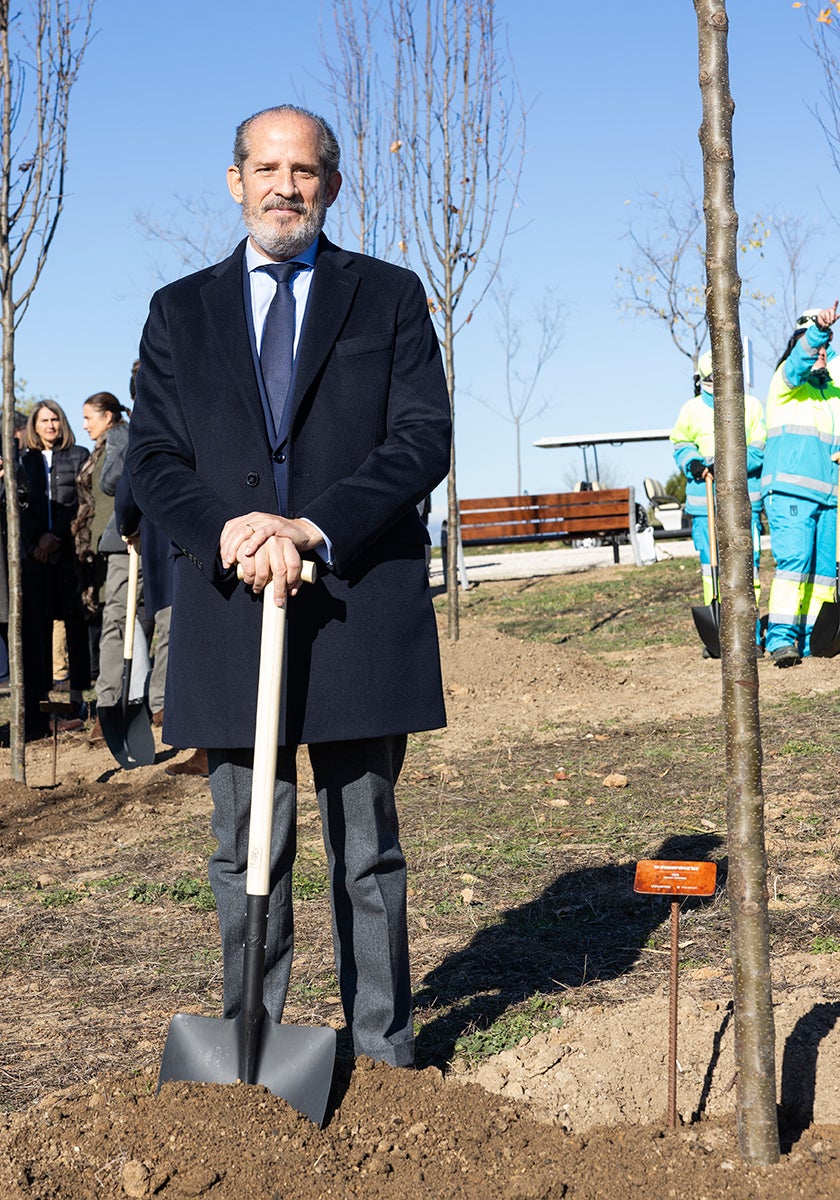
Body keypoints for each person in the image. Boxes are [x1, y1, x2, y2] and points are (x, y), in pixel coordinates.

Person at [128, 105, 451, 1068]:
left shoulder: (387, 298)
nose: (285, 186)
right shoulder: (178, 311)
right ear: (235, 181)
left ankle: (384, 1050)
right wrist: (229, 531)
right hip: (235, 613)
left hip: (356, 602)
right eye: (266, 168)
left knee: (367, 848)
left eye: (304, 170)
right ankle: (251, 1046)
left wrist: (313, 527)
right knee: (245, 847)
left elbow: (420, 439)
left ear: (333, 185)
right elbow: (151, 456)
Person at [671, 351, 766, 655]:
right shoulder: (691, 410)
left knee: (748, 565)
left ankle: (750, 632)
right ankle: (720, 633)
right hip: (705, 504)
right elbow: (680, 443)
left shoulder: (750, 406)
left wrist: (726, 464)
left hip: (742, 501)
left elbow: (760, 449)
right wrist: (695, 464)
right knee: (711, 567)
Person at [762, 303, 840, 666]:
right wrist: (819, 330)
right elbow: (798, 362)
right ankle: (781, 639)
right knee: (794, 566)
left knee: (823, 575)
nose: (820, 352)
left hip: (827, 497)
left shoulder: (830, 395)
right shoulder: (786, 382)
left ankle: (812, 640)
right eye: (813, 346)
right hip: (791, 492)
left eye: (826, 347)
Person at [20, 401, 90, 737]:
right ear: (34, 426)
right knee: (39, 629)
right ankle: (43, 703)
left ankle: (77, 697)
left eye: (55, 419)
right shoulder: (26, 460)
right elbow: (21, 505)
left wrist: (56, 537)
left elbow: (78, 501)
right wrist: (37, 541)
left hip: (68, 553)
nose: (50, 426)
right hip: (37, 557)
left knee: (75, 624)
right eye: (44, 420)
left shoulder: (78, 455)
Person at [72, 391, 136, 740]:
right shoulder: (104, 445)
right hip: (105, 547)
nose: (84, 425)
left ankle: (110, 706)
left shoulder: (120, 440)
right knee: (112, 619)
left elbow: (113, 484)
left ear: (108, 417)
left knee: (118, 620)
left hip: (124, 543)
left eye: (89, 418)